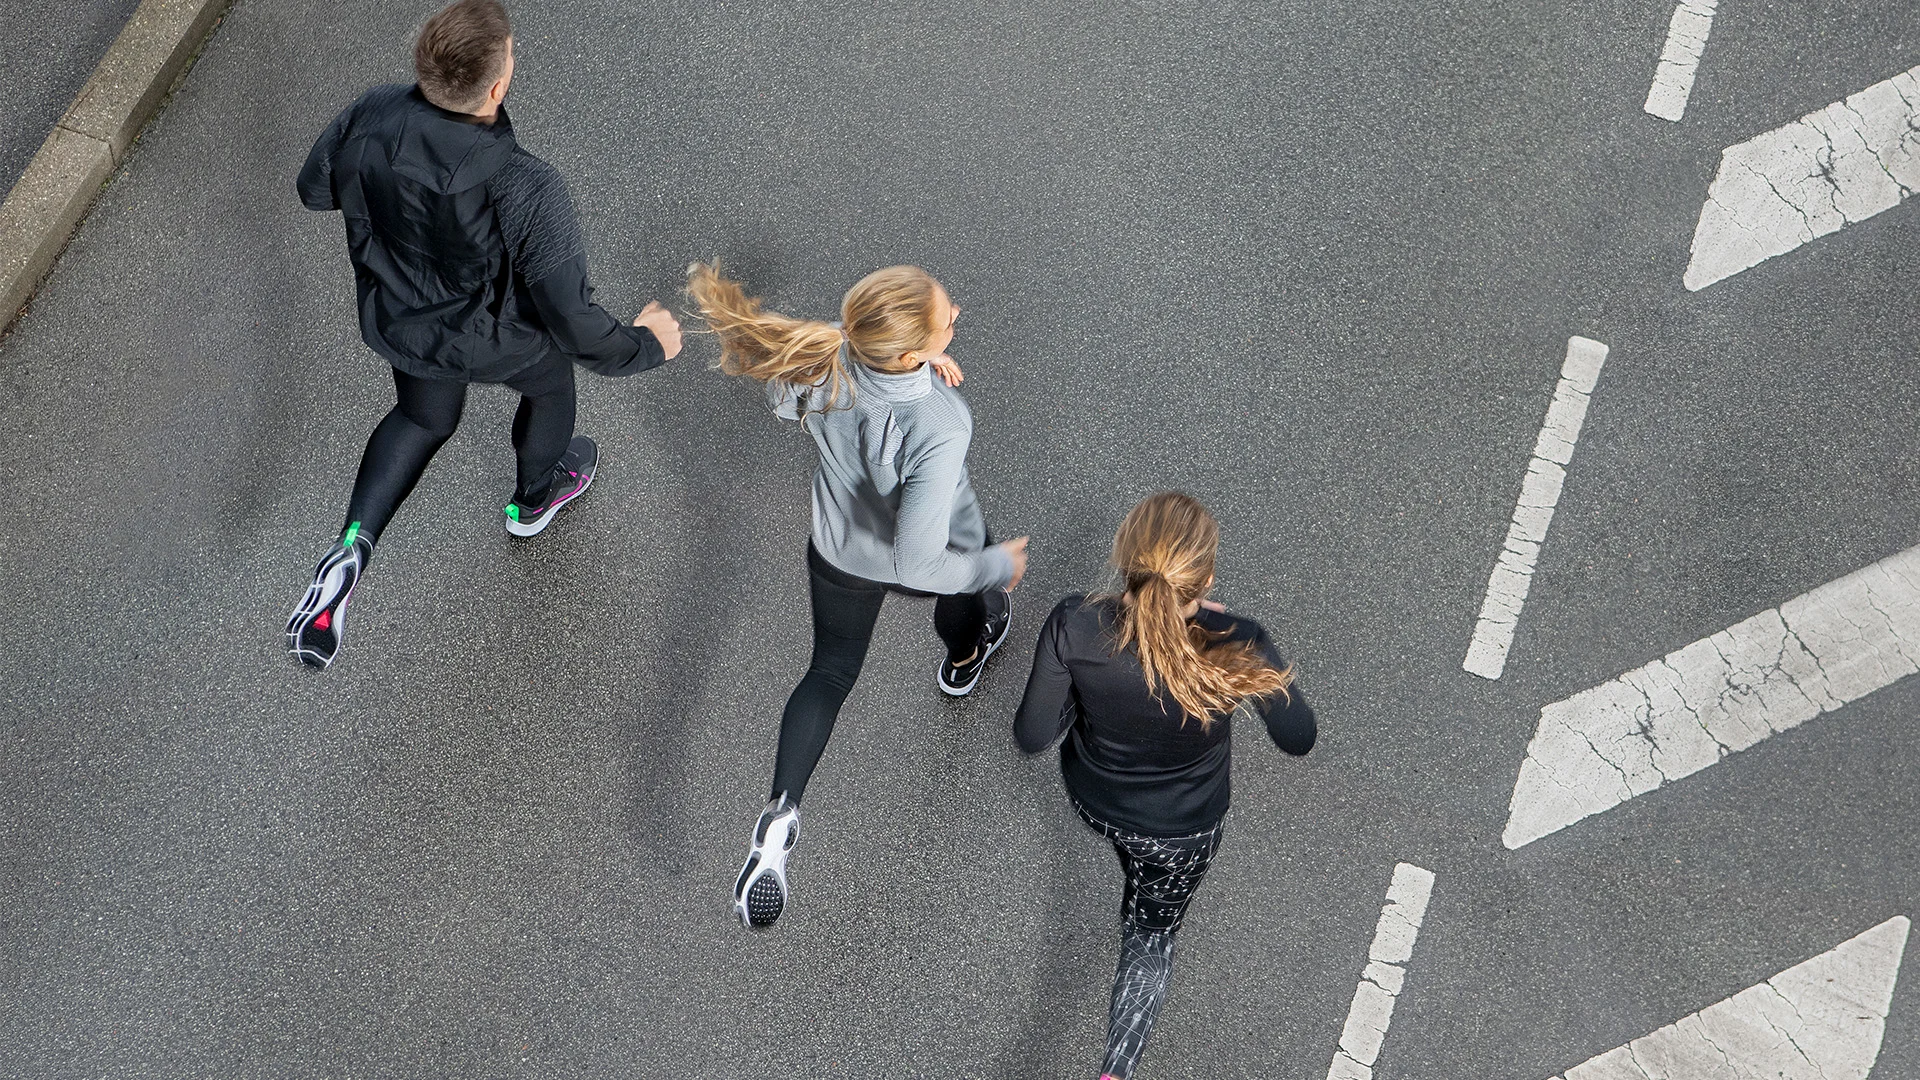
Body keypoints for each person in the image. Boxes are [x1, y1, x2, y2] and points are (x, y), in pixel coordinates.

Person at [285, 0, 683, 669]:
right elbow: (575, 324)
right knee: (553, 386)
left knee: (420, 419)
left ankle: (354, 542)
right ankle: (535, 497)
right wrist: (647, 342)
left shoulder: (371, 113)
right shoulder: (527, 186)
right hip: (500, 339)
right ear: (496, 87)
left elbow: (312, 191)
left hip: (404, 320)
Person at [686, 261, 1030, 929]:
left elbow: (788, 402)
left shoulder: (827, 355)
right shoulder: (940, 422)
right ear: (906, 352)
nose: (956, 312)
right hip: (927, 549)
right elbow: (920, 560)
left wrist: (921, 370)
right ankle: (964, 660)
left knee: (830, 670)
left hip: (840, 549)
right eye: (945, 317)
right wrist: (991, 566)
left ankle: (784, 807)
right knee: (965, 588)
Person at [1014, 491, 1316, 1080]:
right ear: (1204, 578)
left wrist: (1081, 692)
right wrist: (1230, 636)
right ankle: (1115, 1071)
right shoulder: (1234, 639)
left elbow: (1032, 735)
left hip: (1096, 801)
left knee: (1134, 864)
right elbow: (1297, 737)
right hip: (1183, 830)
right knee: (1150, 934)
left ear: (1124, 559)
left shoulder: (1074, 623)